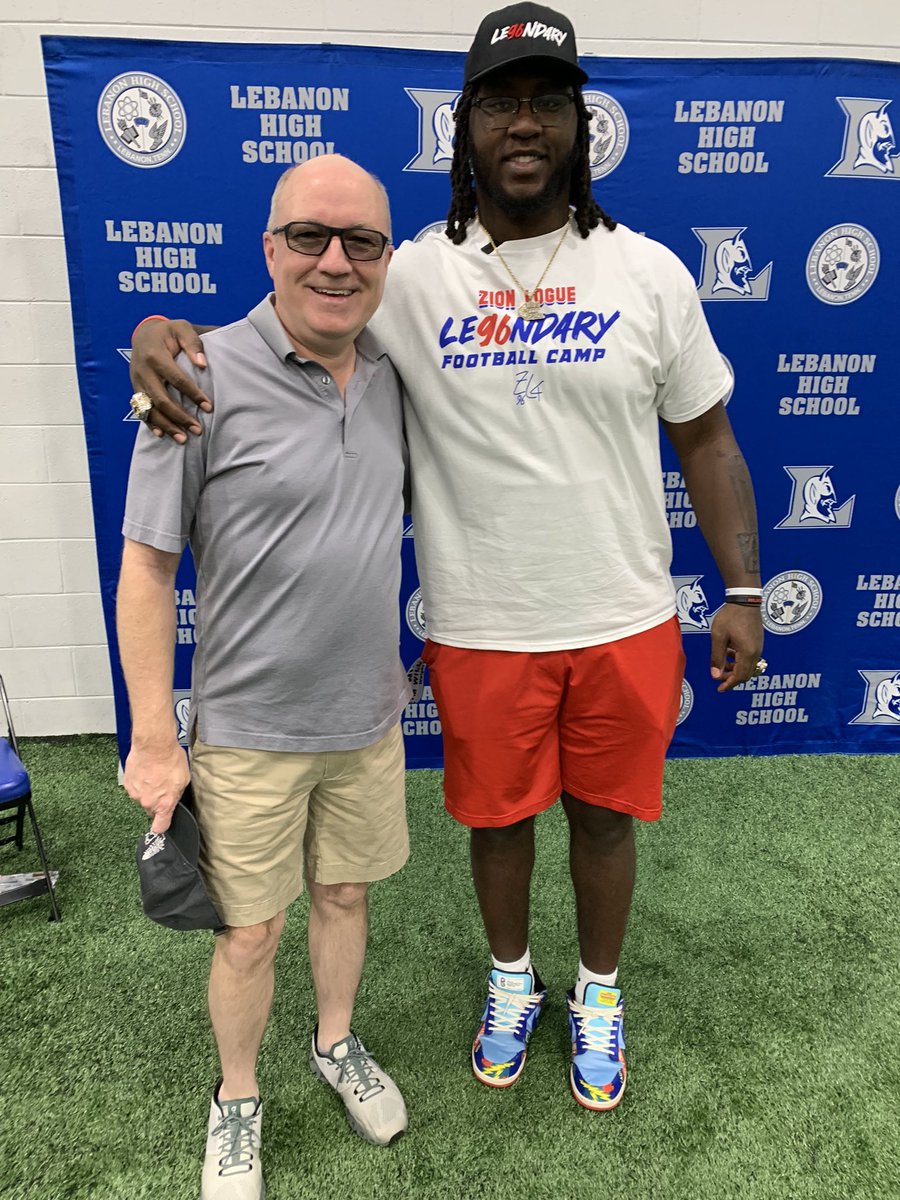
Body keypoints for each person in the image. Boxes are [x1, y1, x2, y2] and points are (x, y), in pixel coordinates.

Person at [128, 2, 764, 1114]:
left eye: (548, 102)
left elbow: (707, 435)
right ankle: (513, 982)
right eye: (501, 103)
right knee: (499, 823)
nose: (526, 124)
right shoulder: (414, 274)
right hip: (478, 622)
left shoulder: (650, 271)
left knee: (606, 820)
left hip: (620, 611)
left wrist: (745, 588)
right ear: (465, 130)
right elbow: (299, 315)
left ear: (581, 124)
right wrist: (163, 336)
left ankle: (600, 994)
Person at [119, 155, 411, 1200]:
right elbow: (149, 567)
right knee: (251, 934)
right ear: (268, 249)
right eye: (308, 238)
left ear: (387, 259)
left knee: (344, 893)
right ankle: (236, 1097)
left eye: (361, 243)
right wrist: (155, 736)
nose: (335, 262)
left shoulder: (396, 371)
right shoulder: (195, 374)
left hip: (367, 723)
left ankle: (335, 1043)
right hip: (244, 734)